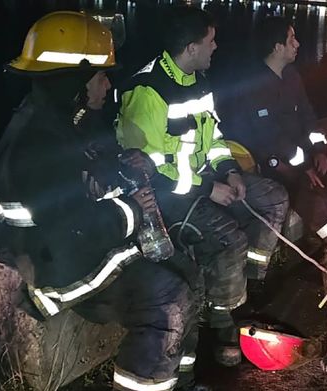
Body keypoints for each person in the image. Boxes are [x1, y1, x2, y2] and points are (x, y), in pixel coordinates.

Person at [0, 12, 206, 391]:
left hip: (80, 249)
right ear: (74, 78)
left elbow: (89, 171)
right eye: (101, 76)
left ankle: (175, 382)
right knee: (166, 295)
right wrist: (134, 212)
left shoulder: (67, 119)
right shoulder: (38, 142)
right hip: (55, 269)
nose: (108, 85)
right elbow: (72, 231)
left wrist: (120, 165)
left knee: (185, 269)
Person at [116, 6, 289, 367]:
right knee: (230, 239)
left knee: (273, 197)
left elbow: (214, 138)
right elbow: (150, 170)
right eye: (210, 41)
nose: (216, 47)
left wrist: (230, 171)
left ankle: (246, 288)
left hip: (203, 181)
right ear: (191, 48)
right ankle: (223, 322)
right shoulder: (147, 91)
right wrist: (208, 191)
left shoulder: (199, 81)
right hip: (169, 198)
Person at [219, 17, 327, 242]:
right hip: (274, 164)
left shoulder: (292, 77)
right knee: (313, 198)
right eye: (292, 39)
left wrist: (320, 150)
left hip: (302, 157)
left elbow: (309, 117)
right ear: (277, 47)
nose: (297, 44)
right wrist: (305, 167)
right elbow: (271, 139)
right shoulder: (256, 86)